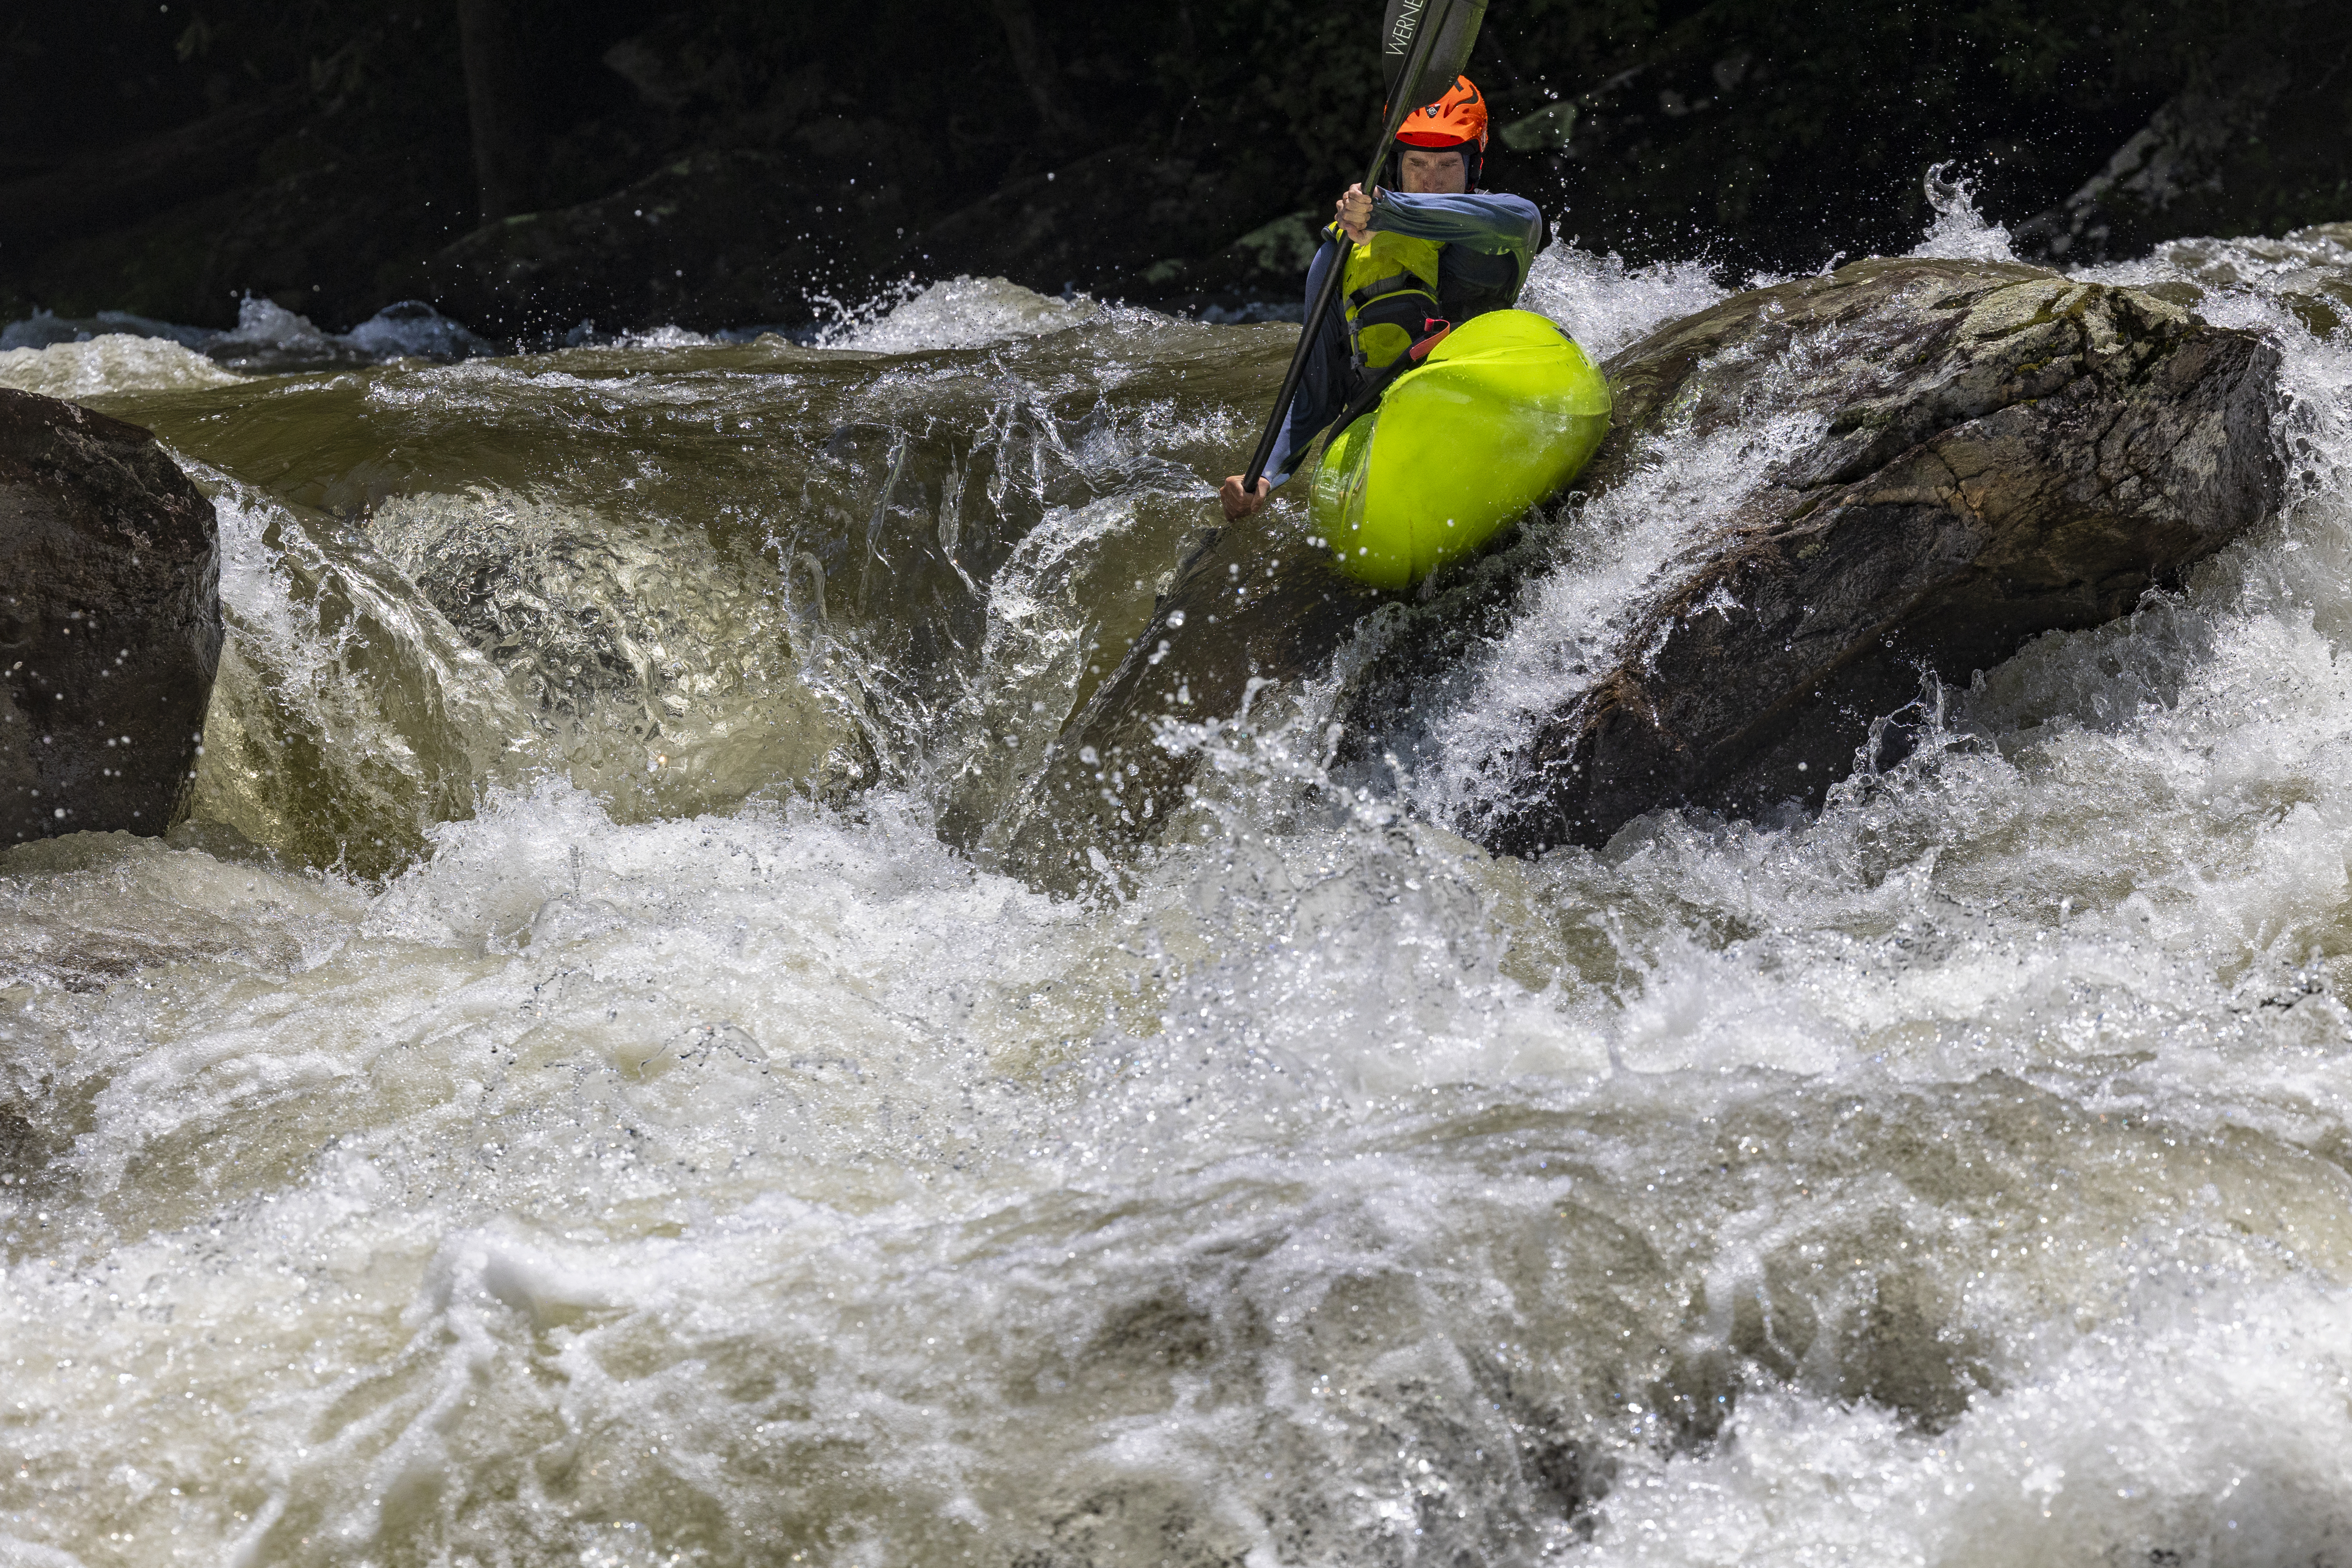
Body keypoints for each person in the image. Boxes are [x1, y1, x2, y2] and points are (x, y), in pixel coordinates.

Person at [1221, 75, 1543, 521]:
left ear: (1474, 169)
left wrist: (1392, 212)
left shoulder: (1496, 232)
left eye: (1448, 165)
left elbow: (1523, 218)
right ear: (1396, 166)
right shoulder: (1341, 254)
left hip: (1481, 398)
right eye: (1417, 165)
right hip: (1385, 420)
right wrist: (1264, 475)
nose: (1432, 182)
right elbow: (1315, 396)